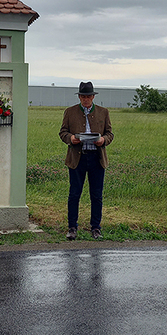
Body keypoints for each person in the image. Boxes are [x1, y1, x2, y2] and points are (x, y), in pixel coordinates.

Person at [59, 82, 114, 240]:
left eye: (88, 96)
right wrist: (71, 138)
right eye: (83, 96)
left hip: (97, 158)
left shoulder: (103, 112)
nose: (85, 99)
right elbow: (63, 132)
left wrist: (103, 140)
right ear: (79, 97)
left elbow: (110, 134)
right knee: (74, 194)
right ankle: (72, 227)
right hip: (77, 158)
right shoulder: (70, 112)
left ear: (93, 97)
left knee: (96, 195)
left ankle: (96, 228)